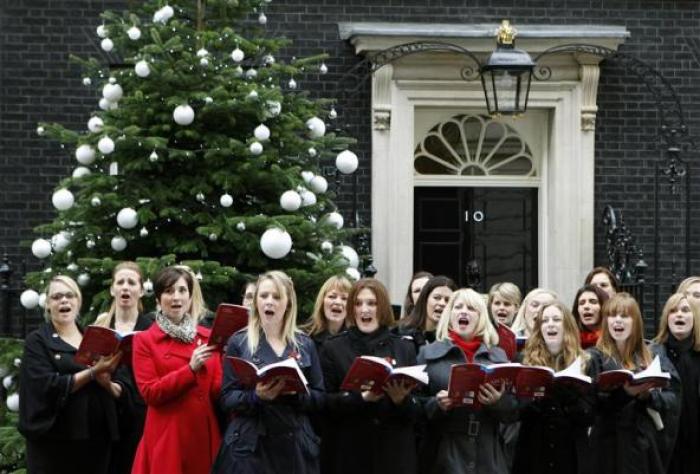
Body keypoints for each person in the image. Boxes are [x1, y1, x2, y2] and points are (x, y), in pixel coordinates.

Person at [213, 270, 324, 474]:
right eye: (263, 296)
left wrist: (297, 394)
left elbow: (320, 397)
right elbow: (227, 398)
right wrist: (256, 396)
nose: (269, 302)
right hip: (250, 445)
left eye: (276, 296)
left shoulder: (305, 344)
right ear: (256, 301)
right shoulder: (239, 342)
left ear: (288, 303)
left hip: (293, 443)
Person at [19, 275, 120, 474]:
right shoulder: (38, 341)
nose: (64, 300)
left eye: (69, 295)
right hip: (56, 442)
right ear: (48, 305)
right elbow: (46, 386)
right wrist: (92, 372)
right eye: (56, 297)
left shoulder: (95, 338)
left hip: (97, 438)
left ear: (78, 301)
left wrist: (106, 378)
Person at [321, 278, 420, 474]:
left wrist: (401, 400)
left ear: (382, 308)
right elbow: (324, 403)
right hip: (352, 453)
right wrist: (360, 398)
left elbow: (419, 408)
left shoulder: (404, 347)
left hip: (394, 453)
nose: (364, 309)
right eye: (358, 303)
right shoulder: (333, 347)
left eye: (372, 303)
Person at [131, 266, 222, 474]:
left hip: (202, 433)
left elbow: (217, 389)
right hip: (167, 435)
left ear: (190, 297)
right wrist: (190, 370)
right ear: (157, 299)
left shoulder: (208, 337)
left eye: (182, 291)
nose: (176, 297)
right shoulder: (144, 341)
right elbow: (150, 393)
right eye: (169, 291)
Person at [417, 288, 517, 474]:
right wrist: (437, 404)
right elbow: (415, 407)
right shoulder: (428, 354)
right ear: (450, 314)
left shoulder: (498, 356)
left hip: (489, 456)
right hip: (445, 455)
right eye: (458, 307)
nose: (463, 311)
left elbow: (512, 411)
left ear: (481, 317)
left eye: (471, 308)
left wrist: (498, 402)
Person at [587, 292, 680, 474]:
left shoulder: (652, 355)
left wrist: (648, 395)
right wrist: (625, 394)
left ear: (635, 322)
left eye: (624, 316)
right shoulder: (594, 357)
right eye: (612, 316)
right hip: (607, 446)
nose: (617, 321)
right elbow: (592, 406)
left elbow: (672, 399)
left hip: (641, 445)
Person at [512, 301, 594, 474]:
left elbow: (589, 415)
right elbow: (518, 410)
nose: (550, 324)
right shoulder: (523, 361)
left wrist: (568, 393)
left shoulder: (585, 362)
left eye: (556, 319)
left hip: (570, 453)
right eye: (545, 320)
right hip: (534, 451)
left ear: (567, 326)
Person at [93, 262, 153, 474]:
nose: (125, 287)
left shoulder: (151, 328)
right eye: (120, 282)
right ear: (112, 289)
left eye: (131, 282)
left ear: (142, 290)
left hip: (140, 415)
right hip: (104, 415)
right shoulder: (100, 327)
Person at [651, 292, 700, 474]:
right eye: (673, 311)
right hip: (667, 447)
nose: (679, 314)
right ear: (666, 319)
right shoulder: (653, 355)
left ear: (694, 318)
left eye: (685, 310)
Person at [397, 275, 457, 350]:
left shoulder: (455, 340)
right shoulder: (400, 333)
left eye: (447, 300)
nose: (442, 303)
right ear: (425, 300)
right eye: (437, 298)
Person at [302, 275, 352, 350]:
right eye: (332, 297)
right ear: (322, 301)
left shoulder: (355, 340)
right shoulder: (304, 337)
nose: (338, 302)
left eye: (344, 298)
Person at [571, 284, 609, 349]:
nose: (586, 306)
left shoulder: (614, 338)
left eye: (593, 302)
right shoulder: (570, 340)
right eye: (582, 303)